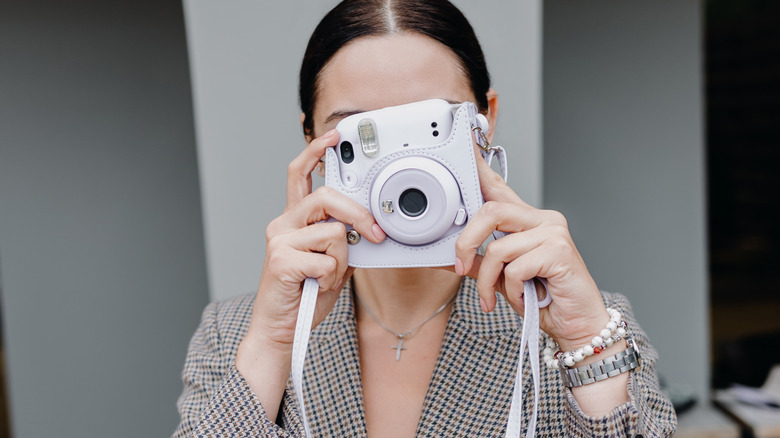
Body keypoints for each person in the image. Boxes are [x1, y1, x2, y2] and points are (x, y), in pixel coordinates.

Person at [174, 0, 677, 436]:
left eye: (429, 127)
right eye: (363, 134)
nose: (401, 166)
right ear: (313, 143)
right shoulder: (234, 333)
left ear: (485, 121)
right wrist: (274, 343)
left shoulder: (581, 323)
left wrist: (585, 339)